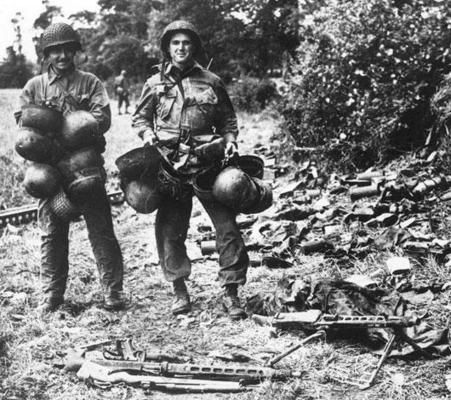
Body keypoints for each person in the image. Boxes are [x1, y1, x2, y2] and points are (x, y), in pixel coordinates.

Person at [132, 20, 249, 320]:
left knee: (226, 226)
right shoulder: (154, 83)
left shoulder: (212, 81)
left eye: (186, 43)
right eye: (175, 43)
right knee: (171, 228)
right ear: (167, 48)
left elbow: (228, 122)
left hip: (208, 161)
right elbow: (141, 119)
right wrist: (147, 135)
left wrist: (231, 142)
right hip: (170, 164)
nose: (181, 48)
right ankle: (179, 290)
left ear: (194, 47)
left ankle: (232, 292)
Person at [16, 22, 125, 312]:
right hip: (49, 170)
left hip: (84, 166)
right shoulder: (34, 86)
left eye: (67, 49)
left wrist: (73, 126)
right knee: (51, 233)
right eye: (55, 51)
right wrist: (47, 132)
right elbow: (23, 123)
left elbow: (102, 118)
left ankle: (113, 292)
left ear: (76, 51)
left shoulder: (90, 83)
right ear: (46, 55)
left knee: (101, 230)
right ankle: (51, 297)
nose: (62, 56)